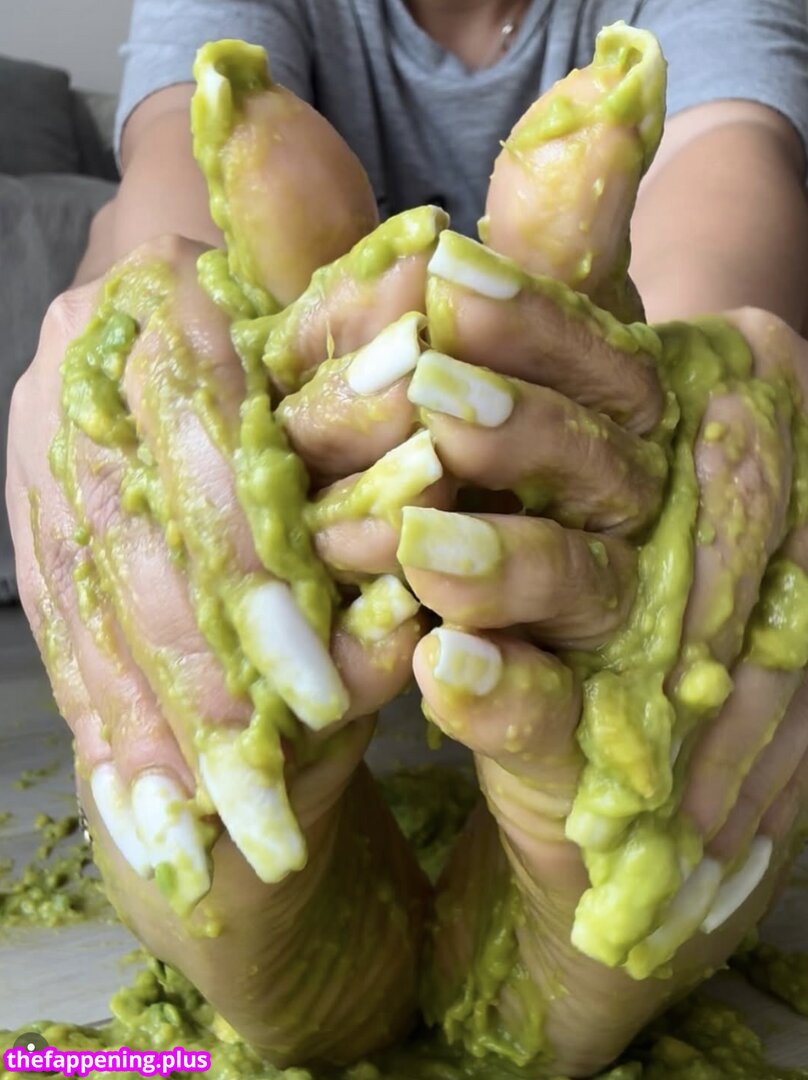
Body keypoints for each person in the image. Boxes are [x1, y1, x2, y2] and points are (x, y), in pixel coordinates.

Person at [6, 1, 808, 1076]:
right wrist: (148, 358)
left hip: (562, 565)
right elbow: (170, 182)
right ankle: (572, 811)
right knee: (203, 361)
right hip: (331, 545)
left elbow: (729, 186)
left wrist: (690, 427)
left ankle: (602, 740)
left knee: (686, 419)